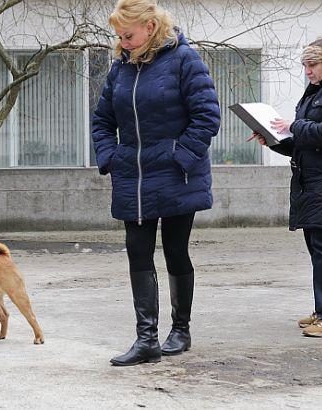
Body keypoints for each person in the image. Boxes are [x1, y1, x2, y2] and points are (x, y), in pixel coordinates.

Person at [92, 0, 220, 366]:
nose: (123, 42)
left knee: (175, 251)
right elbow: (102, 120)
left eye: (128, 35)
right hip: (132, 176)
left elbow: (207, 116)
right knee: (137, 251)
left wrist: (180, 157)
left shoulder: (184, 59)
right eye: (119, 36)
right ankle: (146, 339)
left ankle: (180, 330)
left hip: (176, 175)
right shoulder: (120, 67)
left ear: (150, 27)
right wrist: (110, 157)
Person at [250, 37, 322, 337]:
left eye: (312, 65)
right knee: (319, 249)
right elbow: (304, 142)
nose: (308, 71)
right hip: (312, 183)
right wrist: (272, 141)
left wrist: (293, 126)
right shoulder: (316, 91)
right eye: (305, 65)